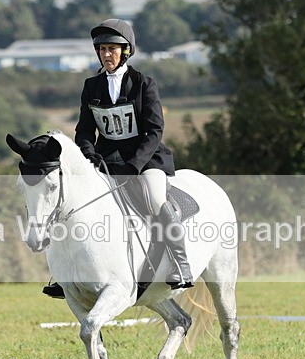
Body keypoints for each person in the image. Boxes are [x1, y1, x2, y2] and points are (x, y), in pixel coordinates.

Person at [43, 19, 193, 299]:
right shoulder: (92, 86)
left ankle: (179, 264)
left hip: (144, 161)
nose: (106, 54)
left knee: (155, 198)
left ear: (126, 52)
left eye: (112, 49)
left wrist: (134, 165)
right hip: (106, 162)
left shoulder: (144, 84)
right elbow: (85, 129)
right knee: (74, 203)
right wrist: (87, 154)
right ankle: (65, 274)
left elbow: (154, 130)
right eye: (101, 49)